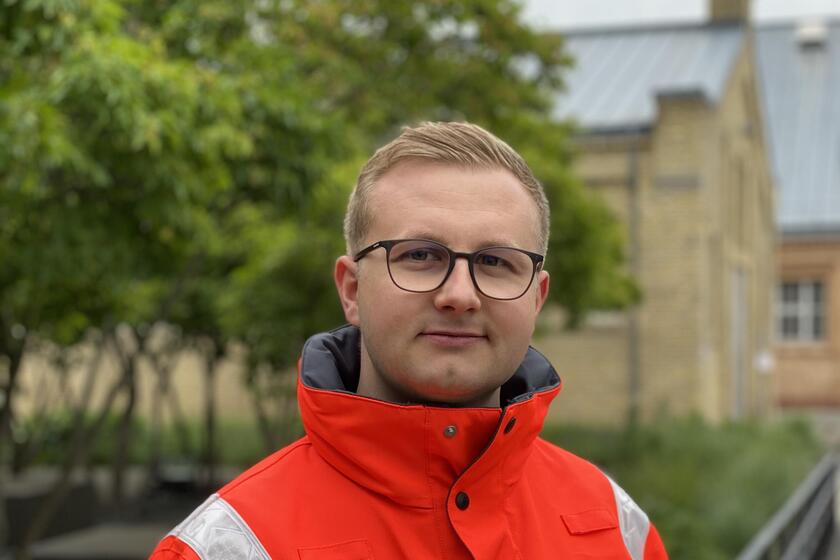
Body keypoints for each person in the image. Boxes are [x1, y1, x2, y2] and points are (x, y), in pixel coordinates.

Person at [149, 122, 668, 559]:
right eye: (420, 256)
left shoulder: (617, 529)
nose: (460, 295)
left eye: (496, 262)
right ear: (352, 290)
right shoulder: (230, 546)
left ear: (537, 296)